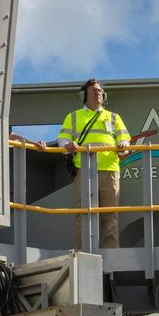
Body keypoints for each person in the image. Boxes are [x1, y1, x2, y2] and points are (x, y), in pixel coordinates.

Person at [54, 78, 131, 250]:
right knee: (84, 214)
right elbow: (63, 139)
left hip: (110, 170)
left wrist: (125, 147)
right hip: (85, 170)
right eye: (94, 90)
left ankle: (112, 257)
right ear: (84, 94)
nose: (99, 93)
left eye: (100, 91)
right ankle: (83, 255)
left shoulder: (113, 117)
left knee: (110, 216)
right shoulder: (73, 116)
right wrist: (67, 145)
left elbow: (124, 139)